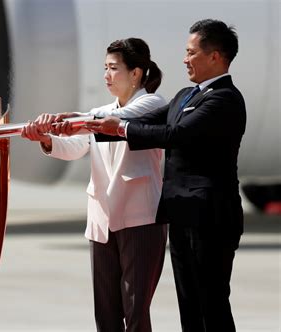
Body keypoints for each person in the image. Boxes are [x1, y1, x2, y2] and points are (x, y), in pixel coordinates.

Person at [84, 19, 246, 332]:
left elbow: (176, 133)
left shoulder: (224, 99)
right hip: (181, 214)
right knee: (189, 302)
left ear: (215, 56)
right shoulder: (186, 95)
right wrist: (82, 123)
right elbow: (138, 119)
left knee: (210, 301)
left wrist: (122, 128)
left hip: (211, 216)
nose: (185, 59)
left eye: (191, 52)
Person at [21, 38, 167, 332]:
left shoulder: (152, 104)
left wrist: (70, 119)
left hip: (140, 218)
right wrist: (48, 139)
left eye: (114, 68)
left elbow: (116, 121)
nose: (107, 76)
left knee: (136, 310)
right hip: (102, 218)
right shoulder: (97, 111)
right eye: (105, 68)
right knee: (106, 312)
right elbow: (76, 147)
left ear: (136, 73)